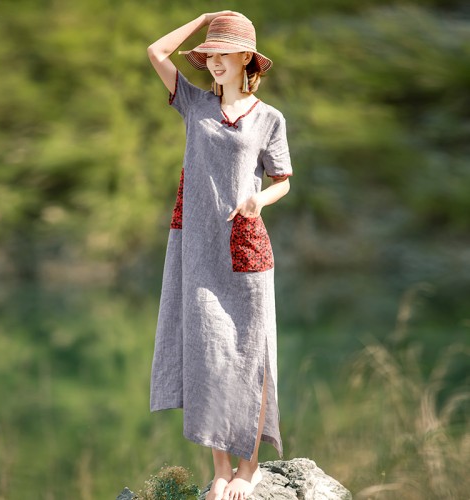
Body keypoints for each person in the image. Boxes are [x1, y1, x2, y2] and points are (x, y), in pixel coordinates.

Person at [147, 11, 293, 500]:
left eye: (222, 53)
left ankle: (248, 473)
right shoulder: (193, 104)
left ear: (245, 58)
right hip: (198, 252)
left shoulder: (270, 119)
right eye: (208, 55)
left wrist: (258, 201)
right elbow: (155, 53)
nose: (213, 63)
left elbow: (283, 182)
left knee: (252, 357)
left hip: (246, 250)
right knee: (208, 356)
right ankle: (220, 472)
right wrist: (204, 20)